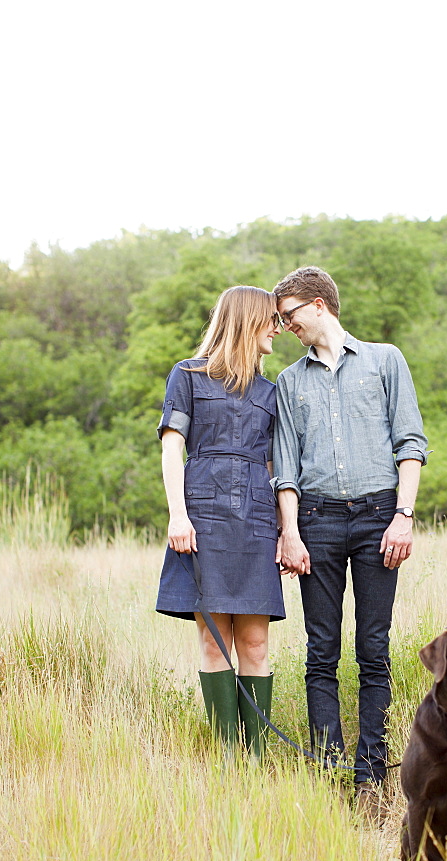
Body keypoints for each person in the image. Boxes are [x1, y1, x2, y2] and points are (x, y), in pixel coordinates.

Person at [272, 266, 427, 812]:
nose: (285, 325)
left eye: (289, 315)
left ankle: (371, 771)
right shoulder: (289, 383)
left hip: (380, 516)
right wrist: (289, 533)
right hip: (315, 521)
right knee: (320, 650)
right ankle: (331, 767)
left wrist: (403, 516)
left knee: (374, 647)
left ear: (318, 305)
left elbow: (410, 441)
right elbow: (285, 468)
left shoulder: (385, 360)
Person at [155, 285, 285, 759]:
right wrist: (177, 515)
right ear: (248, 320)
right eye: (271, 319)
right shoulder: (187, 376)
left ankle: (257, 760)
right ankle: (228, 759)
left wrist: (285, 532)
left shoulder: (273, 392)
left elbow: (276, 468)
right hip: (202, 518)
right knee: (214, 641)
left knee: (254, 642)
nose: (278, 327)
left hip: (255, 521)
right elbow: (172, 448)